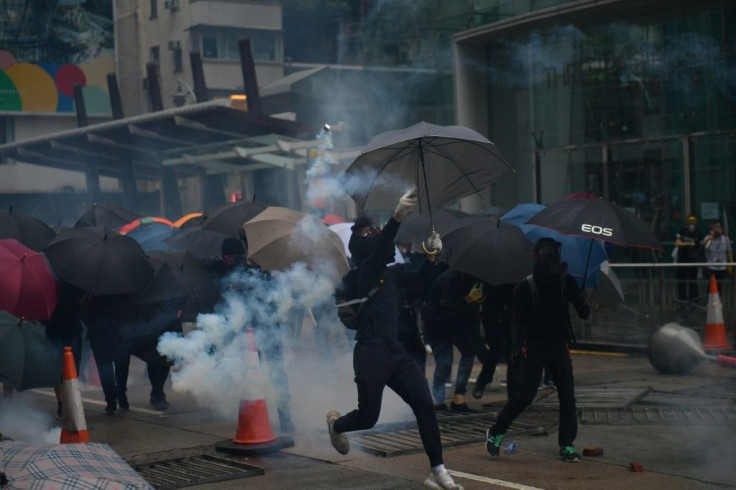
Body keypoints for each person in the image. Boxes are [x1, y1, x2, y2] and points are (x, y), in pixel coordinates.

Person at [326, 189, 464, 490]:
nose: (374, 233)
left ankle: (437, 470)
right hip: (371, 353)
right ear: (361, 246)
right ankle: (336, 425)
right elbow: (381, 247)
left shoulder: (390, 274)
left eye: (375, 229)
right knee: (368, 417)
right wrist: (397, 216)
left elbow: (421, 280)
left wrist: (430, 255)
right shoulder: (364, 272)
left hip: (395, 352)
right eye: (369, 231)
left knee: (425, 407)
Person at [484, 237, 590, 463]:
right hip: (534, 345)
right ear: (536, 257)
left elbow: (584, 314)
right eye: (547, 253)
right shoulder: (526, 286)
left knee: (567, 398)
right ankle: (496, 433)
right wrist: (515, 345)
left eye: (554, 253)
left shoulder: (566, 282)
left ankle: (567, 444)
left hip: (559, 345)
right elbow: (517, 320)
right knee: (525, 396)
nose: (551, 257)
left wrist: (582, 301)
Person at [213, 237, 295, 434]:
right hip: (269, 328)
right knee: (277, 373)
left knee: (252, 374)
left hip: (253, 333)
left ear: (229, 256)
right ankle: (285, 418)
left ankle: (257, 419)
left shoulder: (237, 275)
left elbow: (233, 306)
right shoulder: (260, 269)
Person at [423, 267, 481, 413]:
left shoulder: (469, 278)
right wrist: (468, 300)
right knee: (444, 362)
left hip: (453, 321)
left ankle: (458, 399)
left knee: (468, 352)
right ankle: (438, 401)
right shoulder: (450, 278)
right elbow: (445, 307)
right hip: (436, 323)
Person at [44, 282, 85, 419]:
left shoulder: (48, 285)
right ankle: (67, 402)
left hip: (57, 331)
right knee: (70, 370)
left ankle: (63, 403)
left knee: (60, 370)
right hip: (68, 331)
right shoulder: (75, 283)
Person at [472, 282, 518, 400]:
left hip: (509, 315)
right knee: (497, 349)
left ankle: (513, 391)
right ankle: (482, 382)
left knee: (511, 353)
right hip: (493, 315)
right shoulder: (489, 279)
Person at [674, 214, 704, 306]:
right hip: (682, 258)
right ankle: (681, 300)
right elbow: (677, 242)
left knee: (693, 281)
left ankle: (694, 300)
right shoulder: (682, 230)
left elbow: (701, 245)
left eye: (693, 222)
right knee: (681, 280)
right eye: (690, 222)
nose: (691, 224)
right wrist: (688, 243)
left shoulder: (698, 232)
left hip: (693, 259)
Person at [701, 222, 733, 292]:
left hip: (722, 266)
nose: (717, 230)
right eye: (715, 228)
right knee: (711, 286)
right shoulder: (708, 238)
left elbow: (729, 251)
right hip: (712, 266)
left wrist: (731, 263)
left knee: (721, 286)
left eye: (718, 228)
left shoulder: (725, 239)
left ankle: (720, 300)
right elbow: (704, 249)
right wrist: (710, 238)